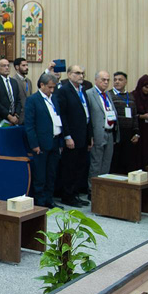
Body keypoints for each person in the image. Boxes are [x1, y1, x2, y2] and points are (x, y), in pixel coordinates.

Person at [54, 65, 92, 206]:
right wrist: (67, 136)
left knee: (80, 167)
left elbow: (87, 114)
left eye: (82, 73)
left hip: (83, 135)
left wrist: (90, 136)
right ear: (69, 74)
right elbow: (62, 116)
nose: (81, 76)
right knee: (70, 167)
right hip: (72, 136)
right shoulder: (64, 91)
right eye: (77, 73)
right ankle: (67, 195)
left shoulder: (83, 90)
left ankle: (75, 194)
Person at [25, 73, 63, 209]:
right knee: (40, 175)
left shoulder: (54, 99)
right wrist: (34, 144)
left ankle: (49, 199)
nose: (52, 90)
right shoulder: (33, 100)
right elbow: (29, 125)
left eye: (54, 87)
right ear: (42, 85)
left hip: (55, 140)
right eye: (50, 87)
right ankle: (40, 202)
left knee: (51, 174)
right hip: (41, 143)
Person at [86, 71, 119, 187]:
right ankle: (92, 188)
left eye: (108, 80)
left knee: (106, 162)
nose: (106, 82)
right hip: (97, 133)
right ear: (96, 80)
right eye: (103, 80)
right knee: (96, 163)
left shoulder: (107, 94)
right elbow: (88, 116)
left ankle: (103, 187)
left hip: (110, 132)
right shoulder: (89, 94)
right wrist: (90, 136)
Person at [110, 72, 141, 173]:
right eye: (115, 80)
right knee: (115, 160)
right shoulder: (109, 95)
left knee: (127, 161)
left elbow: (134, 115)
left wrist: (136, 133)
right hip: (116, 132)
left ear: (126, 81)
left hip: (129, 132)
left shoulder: (130, 96)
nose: (117, 82)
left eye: (120, 80)